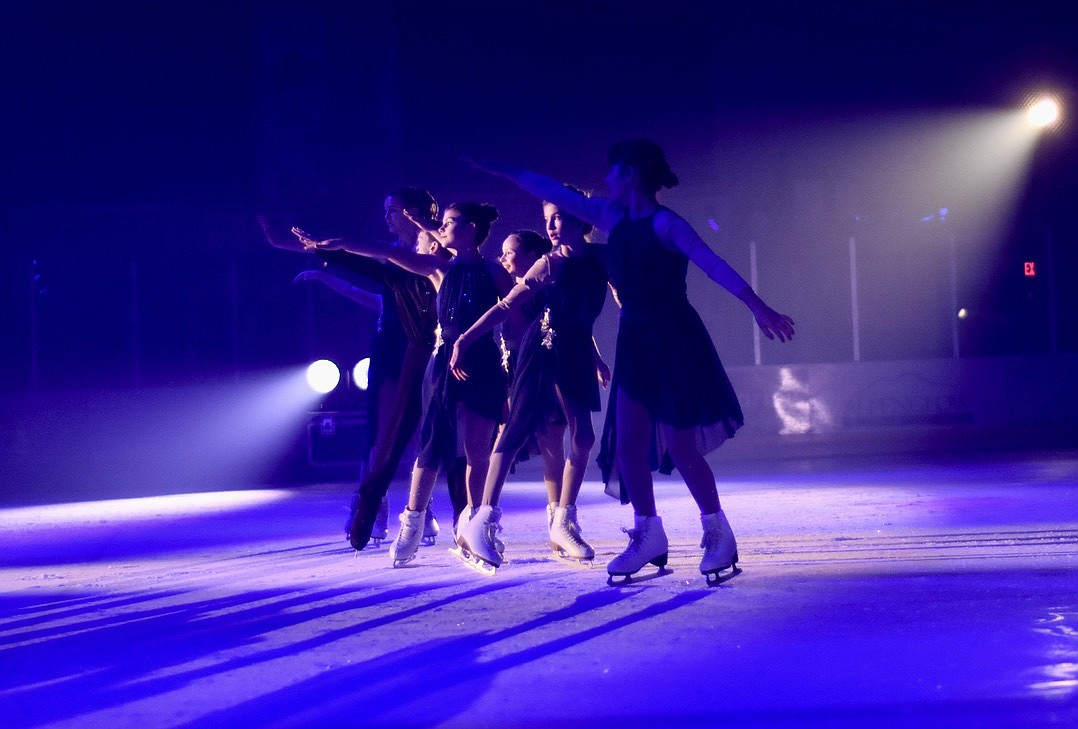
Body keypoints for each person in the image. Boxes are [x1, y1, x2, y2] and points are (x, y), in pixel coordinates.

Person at [471, 140, 795, 583]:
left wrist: (758, 307)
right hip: (636, 341)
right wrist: (500, 166)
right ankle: (649, 534)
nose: (605, 180)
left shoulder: (667, 224)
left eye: (613, 172)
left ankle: (719, 532)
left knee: (680, 446)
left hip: (674, 339)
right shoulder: (609, 217)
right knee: (627, 446)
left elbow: (714, 265)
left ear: (631, 176)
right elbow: (553, 190)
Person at [300, 201, 513, 567]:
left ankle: (475, 524)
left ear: (471, 229)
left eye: (448, 223)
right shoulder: (437, 268)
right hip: (444, 361)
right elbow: (384, 253)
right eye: (440, 223)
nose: (440, 228)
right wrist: (338, 245)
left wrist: (513, 369)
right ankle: (412, 523)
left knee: (478, 450)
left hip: (483, 361)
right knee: (431, 445)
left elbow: (512, 314)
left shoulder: (495, 272)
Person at [265, 188, 464, 551]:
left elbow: (382, 258)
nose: (386, 217)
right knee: (381, 430)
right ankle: (376, 506)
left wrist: (329, 250)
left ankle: (423, 508)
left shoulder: (439, 254)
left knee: (429, 431)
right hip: (390, 347)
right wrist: (320, 262)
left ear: (413, 213)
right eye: (386, 211)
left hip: (428, 349)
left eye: (392, 210)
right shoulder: (396, 257)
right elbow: (377, 290)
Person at [450, 201, 610, 571]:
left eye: (559, 216)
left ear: (579, 219)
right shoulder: (549, 263)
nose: (552, 225)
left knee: (583, 437)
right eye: (547, 220)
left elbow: (582, 320)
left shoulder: (601, 258)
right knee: (516, 432)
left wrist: (597, 358)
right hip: (544, 351)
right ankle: (481, 520)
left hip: (575, 353)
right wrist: (465, 340)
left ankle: (563, 522)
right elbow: (506, 306)